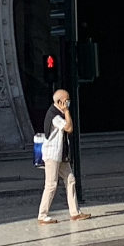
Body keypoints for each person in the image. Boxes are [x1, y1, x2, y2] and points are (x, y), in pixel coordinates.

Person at [36, 88, 91, 224]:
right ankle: (42, 215)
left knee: (70, 179)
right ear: (60, 102)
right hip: (52, 154)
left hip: (61, 155)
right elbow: (69, 128)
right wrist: (66, 112)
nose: (68, 103)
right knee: (51, 184)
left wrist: (65, 112)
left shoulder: (58, 113)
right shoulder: (54, 115)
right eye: (67, 101)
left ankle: (75, 212)